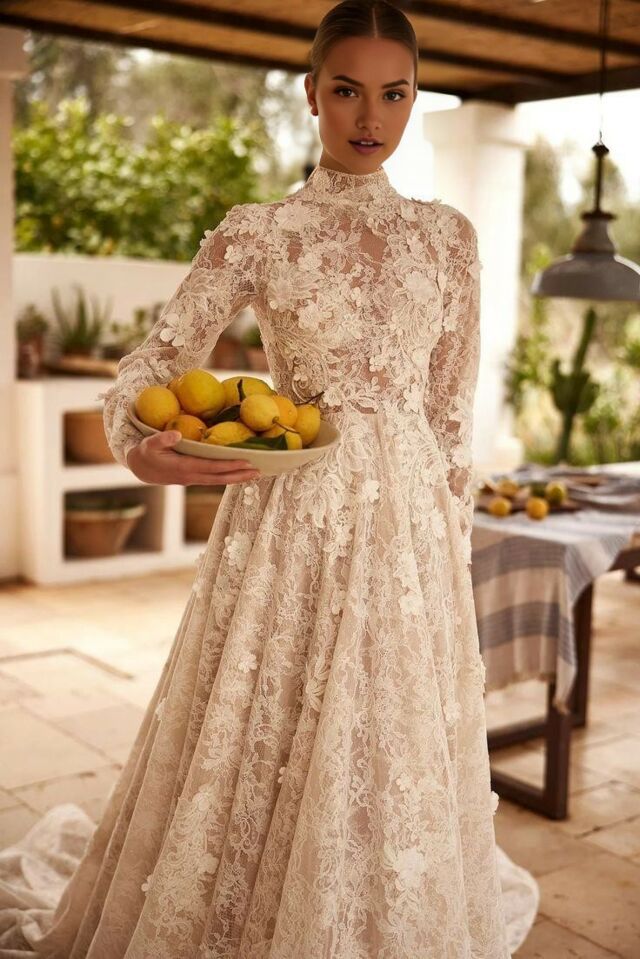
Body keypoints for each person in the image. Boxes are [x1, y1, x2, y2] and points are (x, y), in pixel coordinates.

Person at [0, 1, 540, 955]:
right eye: (346, 91)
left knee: (393, 737)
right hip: (298, 516)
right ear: (311, 94)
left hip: (412, 528)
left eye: (394, 93)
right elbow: (152, 363)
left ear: (414, 100)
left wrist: (446, 544)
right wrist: (138, 444)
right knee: (274, 731)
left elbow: (451, 415)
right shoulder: (259, 232)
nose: (369, 116)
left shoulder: (449, 238)